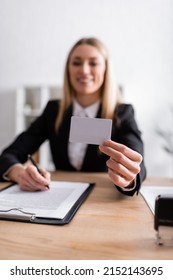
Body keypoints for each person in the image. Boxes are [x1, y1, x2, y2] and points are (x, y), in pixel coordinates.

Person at [0, 37, 146, 195]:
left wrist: (129, 178)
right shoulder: (53, 110)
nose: (84, 70)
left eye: (93, 63)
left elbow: (137, 164)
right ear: (68, 69)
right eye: (76, 62)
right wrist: (19, 172)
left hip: (101, 199)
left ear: (105, 69)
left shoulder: (122, 113)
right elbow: (9, 155)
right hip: (58, 197)